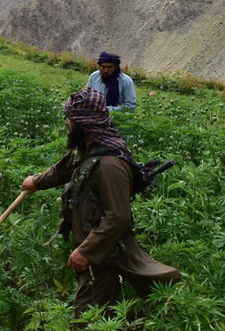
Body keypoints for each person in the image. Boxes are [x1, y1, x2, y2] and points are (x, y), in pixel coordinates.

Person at [21, 87, 181, 319]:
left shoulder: (109, 166)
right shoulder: (86, 148)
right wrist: (35, 182)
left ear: (84, 124)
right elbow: (64, 168)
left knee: (88, 318)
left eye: (71, 118)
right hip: (93, 249)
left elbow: (118, 217)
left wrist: (86, 251)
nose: (67, 122)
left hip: (105, 256)